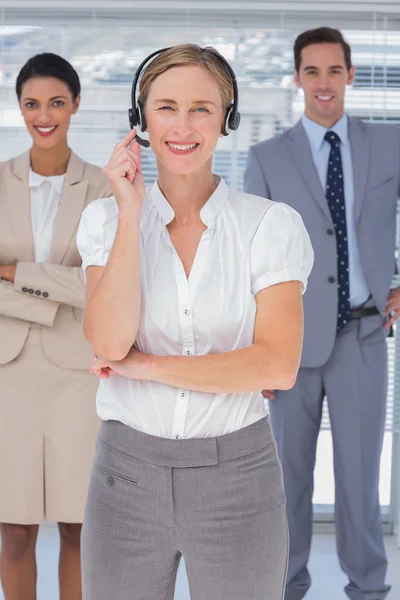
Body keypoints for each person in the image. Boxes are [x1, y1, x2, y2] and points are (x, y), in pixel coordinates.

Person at [76, 43, 313, 600]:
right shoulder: (106, 220)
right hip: (125, 476)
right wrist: (133, 214)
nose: (182, 126)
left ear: (227, 120)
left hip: (238, 479)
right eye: (165, 107)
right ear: (140, 119)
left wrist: (144, 366)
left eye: (202, 108)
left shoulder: (269, 226)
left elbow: (276, 366)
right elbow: (109, 340)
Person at [244, 26, 400, 600]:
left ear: (351, 75)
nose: (324, 83)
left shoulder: (389, 144)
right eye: (312, 71)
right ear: (297, 78)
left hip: (363, 333)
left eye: (334, 70)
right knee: (286, 482)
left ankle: (368, 589)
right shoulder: (266, 158)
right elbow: (249, 258)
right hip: (289, 343)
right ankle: (285, 586)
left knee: (360, 482)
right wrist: (256, 353)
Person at [0, 53, 111, 600]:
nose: (44, 115)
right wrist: (55, 291)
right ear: (19, 108)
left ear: (76, 105)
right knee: (14, 531)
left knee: (79, 526)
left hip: (78, 378)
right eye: (32, 104)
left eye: (57, 103)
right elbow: (74, 288)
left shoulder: (104, 189)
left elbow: (102, 287)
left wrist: (13, 273)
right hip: (8, 376)